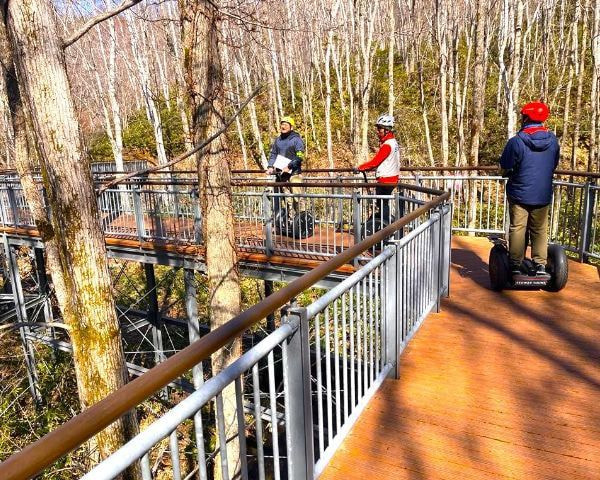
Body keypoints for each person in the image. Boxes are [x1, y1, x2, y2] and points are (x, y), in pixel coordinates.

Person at [500, 101, 559, 276]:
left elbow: (505, 166)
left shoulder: (516, 142)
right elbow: (553, 164)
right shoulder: (553, 141)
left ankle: (515, 265)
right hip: (542, 193)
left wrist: (506, 171)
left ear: (526, 118)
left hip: (519, 193)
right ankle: (540, 264)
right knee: (539, 229)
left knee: (518, 227)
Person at [354, 114, 400, 223]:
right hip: (391, 178)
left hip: (385, 180)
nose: (377, 131)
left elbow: (375, 162)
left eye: (379, 129)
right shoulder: (393, 143)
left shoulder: (387, 145)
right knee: (383, 202)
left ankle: (384, 228)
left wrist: (360, 167)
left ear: (387, 130)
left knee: (382, 203)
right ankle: (385, 224)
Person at [266, 116, 305, 213]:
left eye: (286, 125)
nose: (283, 127)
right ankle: (291, 222)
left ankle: (302, 221)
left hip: (294, 174)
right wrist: (270, 166)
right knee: (288, 201)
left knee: (297, 199)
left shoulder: (297, 140)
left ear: (291, 127)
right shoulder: (278, 140)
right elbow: (273, 154)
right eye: (282, 124)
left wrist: (289, 166)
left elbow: (299, 156)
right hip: (282, 175)